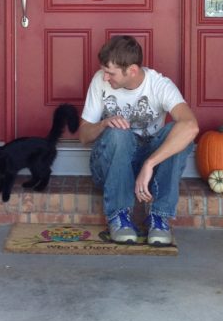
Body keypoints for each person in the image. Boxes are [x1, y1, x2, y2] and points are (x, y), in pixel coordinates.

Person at [78, 35, 199, 246]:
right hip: (110, 168)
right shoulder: (99, 81)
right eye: (104, 71)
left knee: (179, 132)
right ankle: (119, 216)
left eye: (111, 73)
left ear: (132, 71)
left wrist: (149, 164)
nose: (105, 77)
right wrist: (104, 123)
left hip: (148, 170)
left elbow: (191, 126)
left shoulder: (159, 85)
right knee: (118, 133)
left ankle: (159, 217)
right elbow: (83, 136)